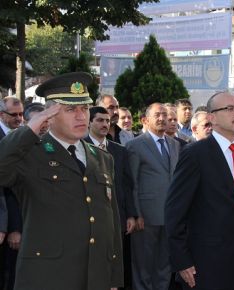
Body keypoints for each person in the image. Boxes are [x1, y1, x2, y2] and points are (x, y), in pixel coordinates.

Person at [0, 72, 123, 290]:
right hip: (48, 277)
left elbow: (111, 220)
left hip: (95, 277)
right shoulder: (29, 153)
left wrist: (113, 279)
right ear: (50, 115)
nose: (80, 116)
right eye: (70, 110)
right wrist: (29, 129)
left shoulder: (102, 158)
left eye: (84, 108)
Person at [165, 92, 234, 290]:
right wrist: (182, 261)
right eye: (229, 109)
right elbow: (175, 211)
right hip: (206, 267)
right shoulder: (195, 154)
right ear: (212, 117)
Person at [127, 103, 180, 290]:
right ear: (145, 120)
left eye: (165, 115)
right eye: (157, 115)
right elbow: (132, 182)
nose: (162, 118)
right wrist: (136, 213)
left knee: (165, 265)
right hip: (146, 216)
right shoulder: (135, 145)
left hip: (170, 216)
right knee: (143, 265)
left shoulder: (175, 144)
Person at [86, 106, 137, 289]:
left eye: (107, 121)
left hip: (117, 217)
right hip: (91, 216)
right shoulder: (80, 147)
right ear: (89, 122)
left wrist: (131, 214)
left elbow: (127, 184)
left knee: (115, 261)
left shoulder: (119, 150)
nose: (105, 124)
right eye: (99, 120)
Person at [0, 97, 24, 290]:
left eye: (21, 114)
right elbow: (6, 188)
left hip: (18, 225)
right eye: (13, 115)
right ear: (1, 115)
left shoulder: (24, 138)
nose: (19, 118)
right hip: (6, 226)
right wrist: (11, 227)